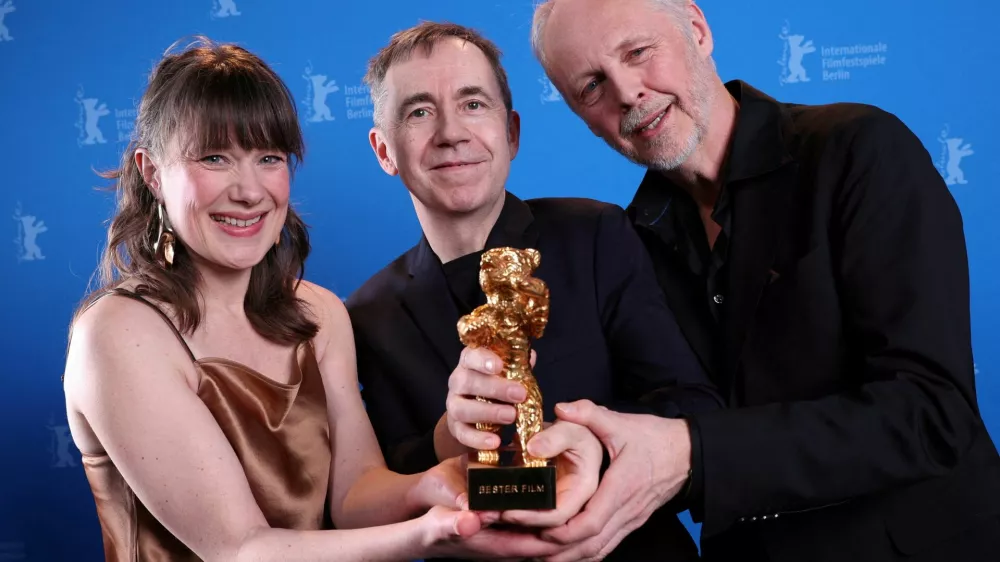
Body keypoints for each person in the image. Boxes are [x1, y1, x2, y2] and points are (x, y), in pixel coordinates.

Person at [523, 0, 1000, 560]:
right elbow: (657, 429)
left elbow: (932, 413)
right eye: (592, 86)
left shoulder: (858, 149)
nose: (627, 92)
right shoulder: (626, 243)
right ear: (582, 117)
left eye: (638, 52)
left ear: (697, 31)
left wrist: (695, 453)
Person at [61, 37, 528, 561]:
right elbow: (239, 549)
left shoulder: (320, 313)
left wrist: (434, 485)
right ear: (152, 174)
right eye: (215, 158)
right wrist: (426, 533)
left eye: (268, 158)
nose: (250, 190)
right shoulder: (120, 332)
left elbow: (354, 496)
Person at [346, 21, 725, 561]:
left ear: (513, 133)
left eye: (473, 104)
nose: (451, 132)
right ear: (385, 150)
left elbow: (693, 405)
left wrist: (592, 443)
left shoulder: (596, 235)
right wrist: (446, 438)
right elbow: (381, 481)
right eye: (419, 112)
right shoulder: (367, 314)